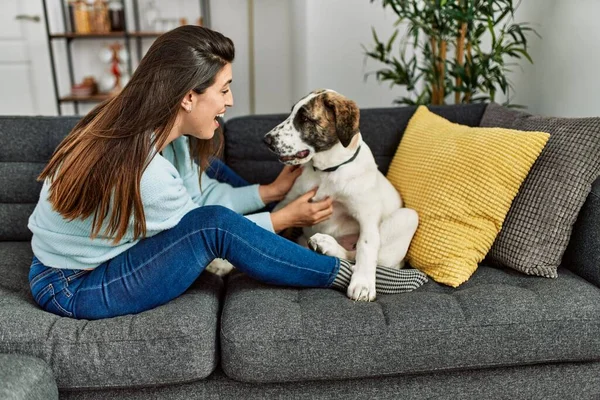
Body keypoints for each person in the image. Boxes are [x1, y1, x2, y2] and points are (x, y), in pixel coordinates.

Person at [27, 25, 427, 320]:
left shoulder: (163, 138)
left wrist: (270, 193)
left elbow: (199, 196)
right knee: (215, 226)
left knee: (213, 179)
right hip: (74, 285)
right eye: (224, 89)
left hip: (88, 261)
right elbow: (204, 227)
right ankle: (345, 270)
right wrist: (283, 218)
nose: (230, 101)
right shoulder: (146, 173)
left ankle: (284, 217)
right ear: (187, 97)